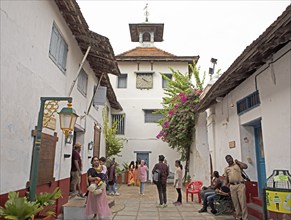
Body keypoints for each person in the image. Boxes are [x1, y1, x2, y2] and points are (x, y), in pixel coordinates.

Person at [224, 155, 248, 220]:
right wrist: (225, 185)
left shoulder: (237, 165)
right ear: (226, 161)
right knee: (235, 203)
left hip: (240, 185)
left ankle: (245, 217)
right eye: (228, 159)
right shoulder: (226, 169)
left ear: (232, 158)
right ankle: (238, 217)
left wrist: (238, 162)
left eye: (230, 158)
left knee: (242, 202)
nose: (229, 160)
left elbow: (245, 166)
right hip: (232, 186)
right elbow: (226, 178)